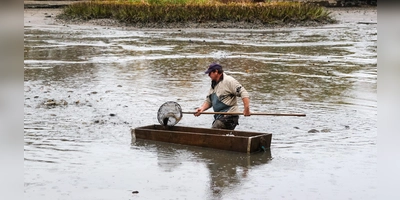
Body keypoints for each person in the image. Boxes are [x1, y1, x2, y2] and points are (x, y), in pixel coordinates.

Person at [194, 63, 251, 130]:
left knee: (215, 128)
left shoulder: (229, 81)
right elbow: (209, 101)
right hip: (220, 117)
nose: (208, 75)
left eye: (210, 73)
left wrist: (246, 109)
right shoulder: (213, 84)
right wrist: (202, 109)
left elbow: (244, 93)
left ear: (216, 72)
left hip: (230, 116)